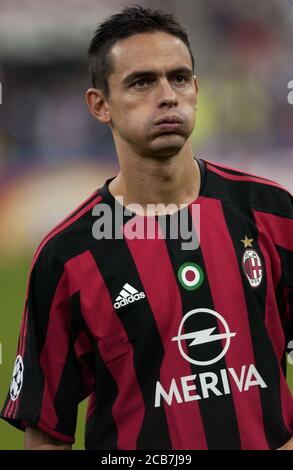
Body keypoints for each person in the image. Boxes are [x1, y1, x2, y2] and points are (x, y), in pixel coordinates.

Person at [1, 5, 292, 451]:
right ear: (100, 105)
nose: (167, 95)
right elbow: (47, 432)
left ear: (195, 89)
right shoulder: (68, 255)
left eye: (178, 78)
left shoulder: (272, 213)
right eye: (141, 82)